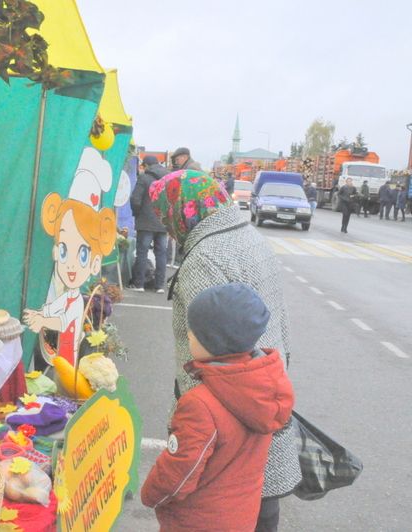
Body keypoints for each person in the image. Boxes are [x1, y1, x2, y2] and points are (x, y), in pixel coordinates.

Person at [149, 170, 300, 531]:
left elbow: (214, 350)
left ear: (182, 210)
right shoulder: (247, 235)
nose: (166, 227)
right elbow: (278, 318)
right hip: (260, 393)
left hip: (226, 426)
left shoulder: (205, 257)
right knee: (260, 508)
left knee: (231, 508)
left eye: (165, 215)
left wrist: (193, 427)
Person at [141, 283, 294, 531]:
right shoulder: (262, 389)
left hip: (198, 521)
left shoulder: (200, 405)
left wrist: (150, 494)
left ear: (214, 341)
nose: (189, 335)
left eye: (194, 332)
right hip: (240, 516)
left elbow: (179, 473)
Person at [22, 193, 116, 365]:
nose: (71, 265)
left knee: (65, 381)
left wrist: (42, 320)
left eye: (82, 255)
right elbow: (53, 308)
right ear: (56, 252)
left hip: (69, 355)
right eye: (64, 250)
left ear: (95, 262)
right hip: (59, 354)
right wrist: (39, 313)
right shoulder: (69, 295)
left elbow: (63, 323)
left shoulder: (78, 302)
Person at [129, 156, 169, 293]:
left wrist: (137, 214)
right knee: (161, 254)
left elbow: (135, 199)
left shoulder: (144, 178)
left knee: (142, 252)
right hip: (164, 222)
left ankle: (139, 284)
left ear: (146, 165)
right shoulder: (169, 178)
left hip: (145, 222)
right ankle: (159, 286)